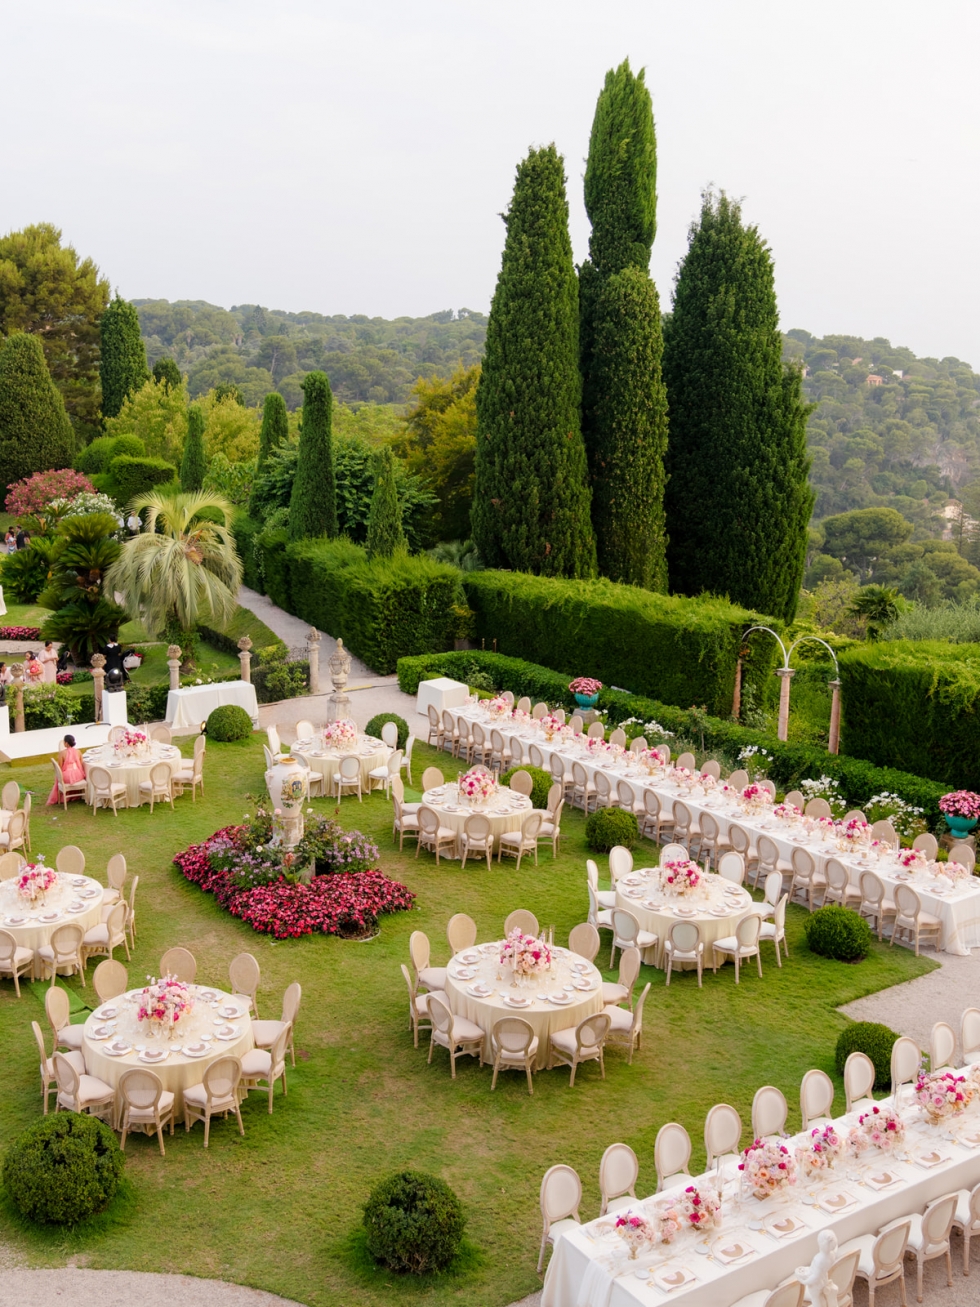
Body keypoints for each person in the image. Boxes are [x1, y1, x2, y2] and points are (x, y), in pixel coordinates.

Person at [46, 733, 87, 806]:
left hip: (67, 776)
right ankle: (75, 796)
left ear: (66, 743)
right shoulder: (78, 751)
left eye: (64, 742)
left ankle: (62, 796)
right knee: (72, 777)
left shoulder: (62, 753)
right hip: (78, 775)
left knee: (59, 777)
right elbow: (80, 764)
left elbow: (60, 767)